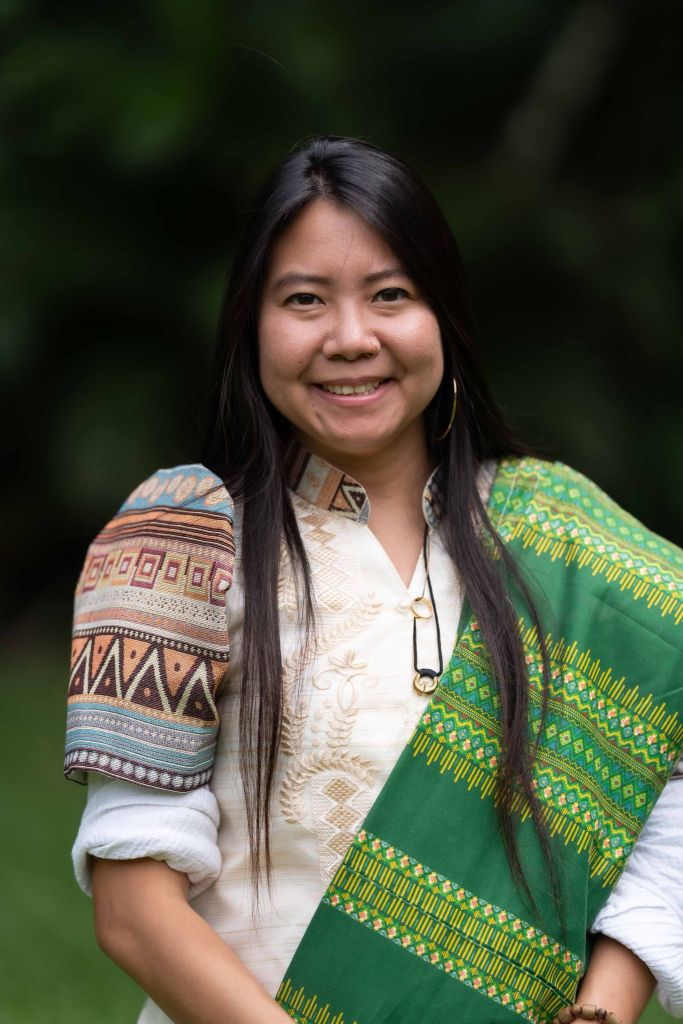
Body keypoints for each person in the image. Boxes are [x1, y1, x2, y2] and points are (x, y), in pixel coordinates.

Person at [65, 136, 683, 1024]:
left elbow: (669, 795)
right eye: (304, 300)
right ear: (251, 324)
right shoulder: (183, 538)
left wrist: (605, 1007)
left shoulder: (565, 537)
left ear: (444, 317)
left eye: (390, 295)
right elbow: (133, 908)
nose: (351, 339)